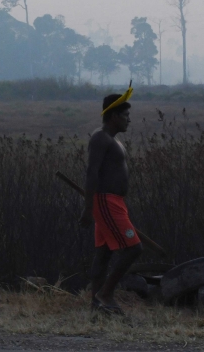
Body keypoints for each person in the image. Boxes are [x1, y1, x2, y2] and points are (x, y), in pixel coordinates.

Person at [79, 82, 143, 315]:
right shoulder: (100, 138)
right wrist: (88, 209)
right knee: (134, 249)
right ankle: (105, 294)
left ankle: (96, 308)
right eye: (126, 115)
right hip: (105, 202)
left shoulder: (113, 140)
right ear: (114, 115)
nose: (129, 120)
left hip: (115, 203)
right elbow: (91, 173)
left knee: (104, 254)